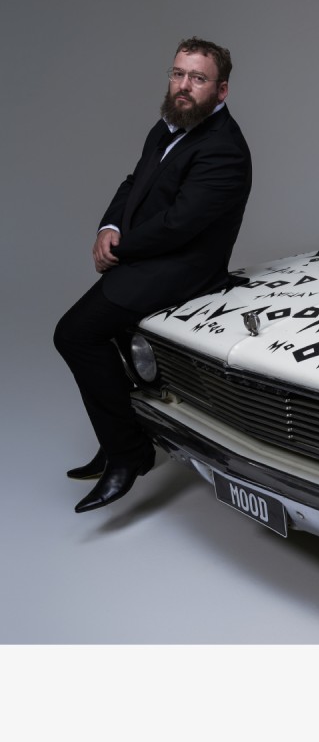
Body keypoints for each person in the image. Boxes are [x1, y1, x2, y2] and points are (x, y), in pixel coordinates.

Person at [54, 36, 253, 512]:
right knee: (109, 340)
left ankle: (129, 454)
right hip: (151, 255)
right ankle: (118, 438)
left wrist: (119, 249)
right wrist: (109, 226)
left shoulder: (223, 148)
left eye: (198, 78)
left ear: (221, 90)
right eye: (178, 74)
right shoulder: (169, 127)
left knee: (74, 334)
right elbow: (134, 182)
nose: (183, 85)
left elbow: (180, 225)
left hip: (184, 267)